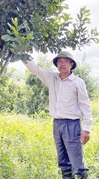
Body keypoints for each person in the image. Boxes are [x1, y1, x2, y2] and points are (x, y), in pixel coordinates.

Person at [23, 51, 92, 179]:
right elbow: (35, 69)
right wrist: (21, 53)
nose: (62, 64)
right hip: (57, 124)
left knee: (77, 163)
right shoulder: (52, 78)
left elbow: (85, 105)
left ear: (71, 64)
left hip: (72, 124)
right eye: (59, 61)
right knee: (63, 162)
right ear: (56, 64)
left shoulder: (77, 82)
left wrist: (87, 128)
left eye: (66, 61)